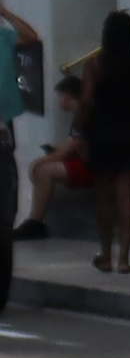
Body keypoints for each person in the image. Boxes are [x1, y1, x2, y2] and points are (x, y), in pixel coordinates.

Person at [79, 11, 130, 275]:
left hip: (102, 132)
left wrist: (80, 127)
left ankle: (105, 254)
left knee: (104, 197)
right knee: (126, 196)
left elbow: (87, 101)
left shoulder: (95, 64)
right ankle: (124, 258)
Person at [12, 75, 93, 240]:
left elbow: (68, 149)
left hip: (92, 165)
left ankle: (35, 222)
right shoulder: (84, 113)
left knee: (44, 171)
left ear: (67, 96)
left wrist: (38, 162)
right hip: (91, 160)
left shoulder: (83, 115)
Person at [0, 0, 35, 308]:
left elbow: (31, 37)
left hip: (2, 128)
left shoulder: (5, 38)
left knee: (4, 215)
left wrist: (5, 12)